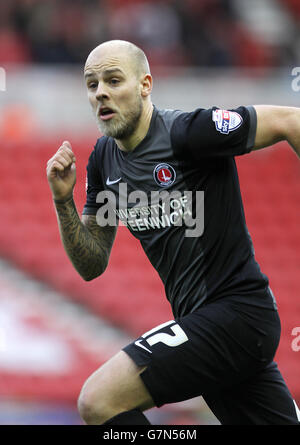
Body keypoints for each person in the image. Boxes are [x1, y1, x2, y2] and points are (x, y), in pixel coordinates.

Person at [46, 40, 300, 425]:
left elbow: (289, 121)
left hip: (238, 315)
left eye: (114, 80)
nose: (101, 92)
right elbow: (91, 263)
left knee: (98, 401)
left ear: (145, 85)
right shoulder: (103, 159)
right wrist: (63, 201)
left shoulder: (190, 132)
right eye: (92, 84)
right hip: (207, 328)